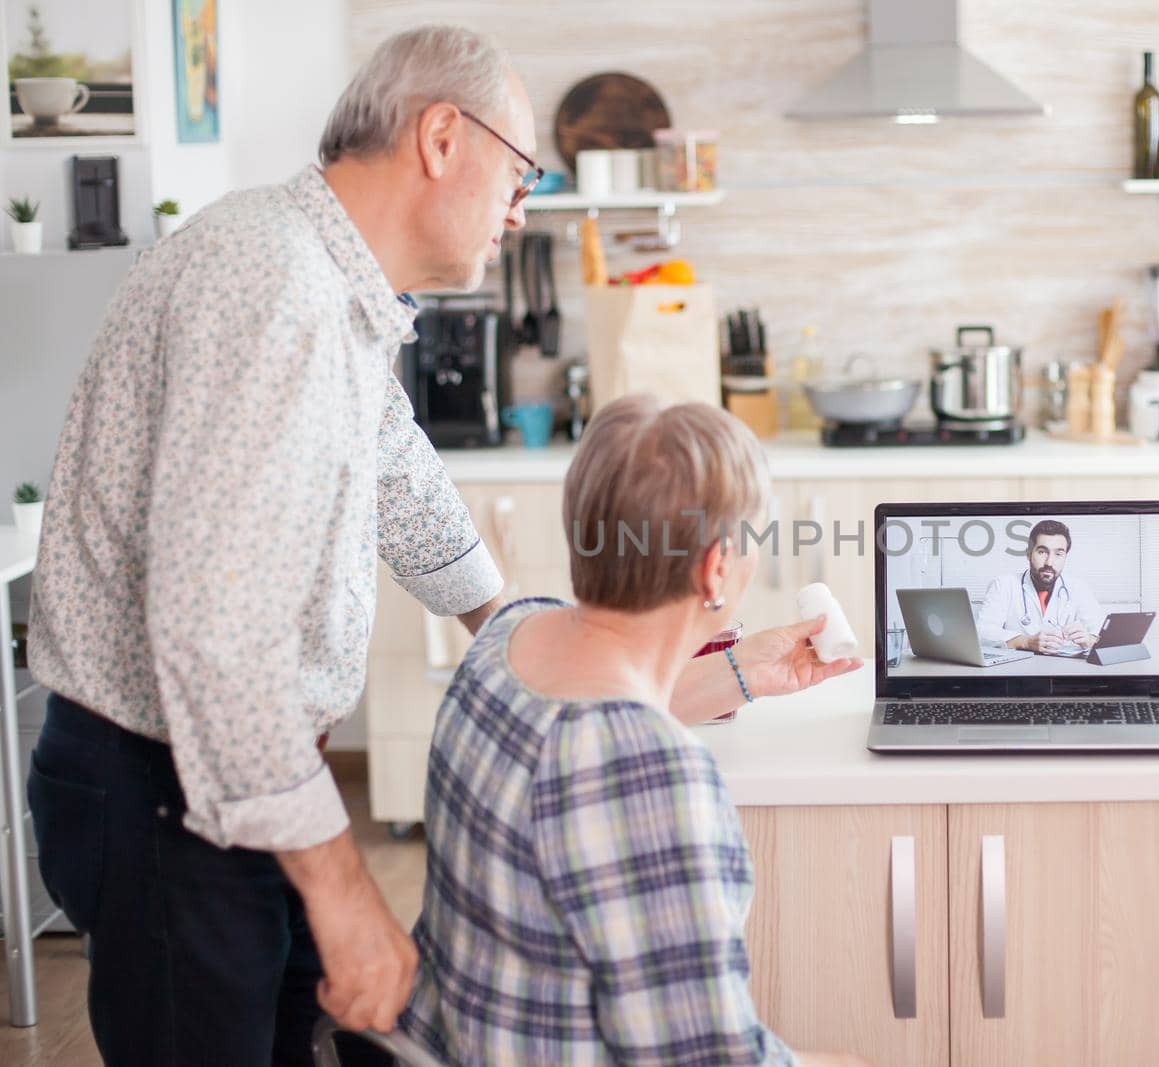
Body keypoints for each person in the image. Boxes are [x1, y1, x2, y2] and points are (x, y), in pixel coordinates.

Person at [25, 25, 530, 1066]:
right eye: (520, 172)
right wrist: (344, 892)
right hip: (165, 787)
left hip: (219, 777)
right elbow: (218, 633)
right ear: (441, 136)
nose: (519, 209)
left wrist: (508, 623)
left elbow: (395, 462)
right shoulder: (273, 289)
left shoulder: (330, 285)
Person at [401, 396, 870, 1067]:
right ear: (714, 568)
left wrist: (742, 671)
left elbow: (589, 718)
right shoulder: (655, 779)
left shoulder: (509, 636)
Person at [975, 519, 1106, 653]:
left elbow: (1103, 634)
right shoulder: (1004, 584)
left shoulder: (1078, 587)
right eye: (1042, 552)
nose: (1049, 562)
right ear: (1028, 554)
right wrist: (1025, 642)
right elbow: (982, 633)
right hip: (1018, 668)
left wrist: (1089, 639)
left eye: (1058, 554)